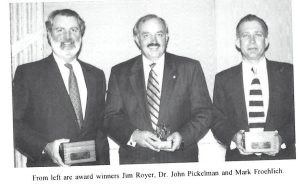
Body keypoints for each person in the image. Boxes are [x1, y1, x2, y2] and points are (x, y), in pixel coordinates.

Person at [104, 14, 212, 164]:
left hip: (180, 162)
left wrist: (182, 136)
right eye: (146, 35)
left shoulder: (190, 68)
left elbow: (204, 112)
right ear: (137, 39)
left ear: (166, 37)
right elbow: (110, 117)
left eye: (159, 34)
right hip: (136, 163)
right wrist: (134, 135)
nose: (153, 41)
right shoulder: (119, 73)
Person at [13, 9, 109, 167]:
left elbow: (100, 131)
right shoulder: (28, 74)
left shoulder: (97, 76)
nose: (68, 37)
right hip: (47, 171)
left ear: (81, 34)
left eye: (74, 30)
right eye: (60, 30)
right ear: (49, 35)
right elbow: (13, 125)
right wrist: (44, 147)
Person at [211, 14, 295, 161]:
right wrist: (233, 137)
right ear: (237, 42)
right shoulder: (223, 79)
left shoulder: (290, 73)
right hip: (239, 162)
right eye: (245, 35)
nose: (252, 41)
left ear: (266, 41)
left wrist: (282, 139)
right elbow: (216, 120)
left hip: (282, 160)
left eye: (258, 34)